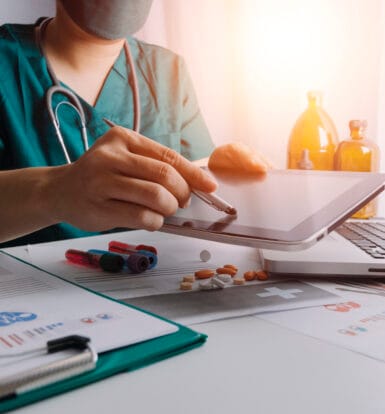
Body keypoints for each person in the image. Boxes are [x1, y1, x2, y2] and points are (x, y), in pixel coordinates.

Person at [0, 0, 268, 247]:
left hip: (152, 281)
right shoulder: (6, 63)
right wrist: (55, 191)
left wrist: (226, 181)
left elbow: (199, 203)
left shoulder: (167, 71)